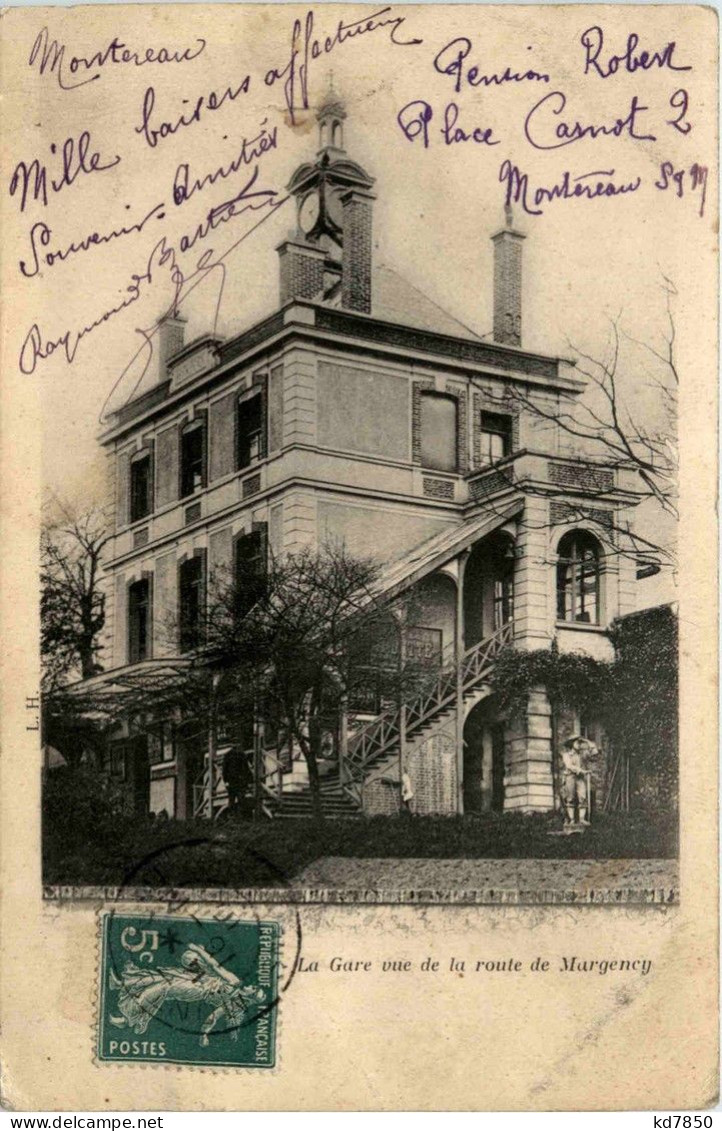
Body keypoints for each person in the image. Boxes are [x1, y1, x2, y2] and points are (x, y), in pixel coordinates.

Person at [559, 735, 597, 831]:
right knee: (570, 798)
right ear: (572, 744)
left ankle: (582, 819)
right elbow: (569, 766)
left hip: (580, 778)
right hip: (570, 777)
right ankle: (571, 820)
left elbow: (594, 753)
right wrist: (581, 771)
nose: (579, 744)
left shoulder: (582, 755)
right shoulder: (566, 755)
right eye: (577, 742)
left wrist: (587, 741)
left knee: (583, 797)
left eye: (580, 742)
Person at [222, 745, 253, 818]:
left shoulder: (228, 755)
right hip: (238, 780)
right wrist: (249, 780)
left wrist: (225, 781)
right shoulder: (240, 755)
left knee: (233, 798)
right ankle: (237, 815)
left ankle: (234, 815)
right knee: (239, 798)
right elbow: (246, 768)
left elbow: (224, 770)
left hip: (233, 780)